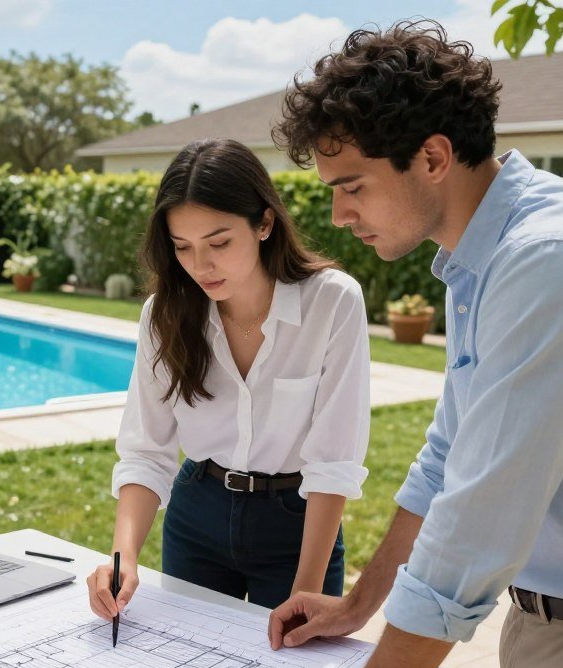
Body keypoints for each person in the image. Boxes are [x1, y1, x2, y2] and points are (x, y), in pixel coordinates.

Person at [219, 20, 563, 668]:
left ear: (432, 157)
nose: (337, 216)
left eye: (351, 187)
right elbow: (445, 462)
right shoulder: (481, 255)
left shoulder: (548, 262)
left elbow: (478, 521)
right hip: (549, 629)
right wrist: (361, 605)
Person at [86, 138, 371, 627]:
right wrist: (123, 557)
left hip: (297, 521)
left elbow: (333, 465)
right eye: (182, 248)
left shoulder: (332, 303)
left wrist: (304, 592)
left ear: (264, 223)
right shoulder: (166, 314)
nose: (201, 266)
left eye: (219, 243)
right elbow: (146, 451)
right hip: (198, 513)